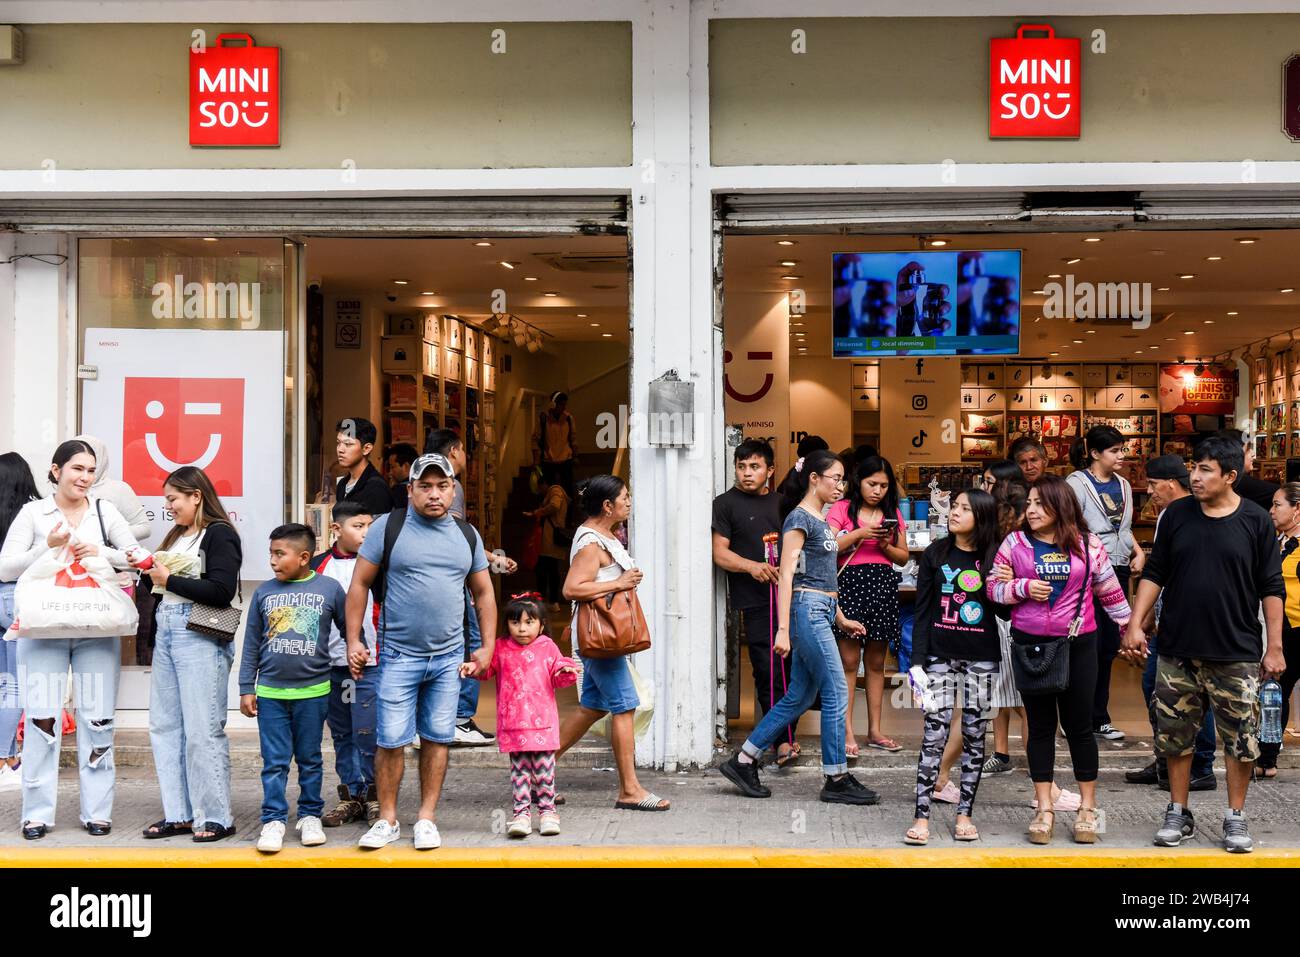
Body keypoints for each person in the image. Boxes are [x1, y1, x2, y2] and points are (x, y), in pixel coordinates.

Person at [1123, 437, 1285, 853]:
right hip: (1177, 648)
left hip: (1236, 651)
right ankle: (1178, 811)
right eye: (1194, 467)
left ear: (1230, 476)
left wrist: (1275, 647)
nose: (1194, 476)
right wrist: (1135, 625)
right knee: (1175, 739)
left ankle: (1235, 817)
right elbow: (1155, 572)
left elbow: (1271, 585)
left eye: (1205, 470)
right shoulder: (1176, 515)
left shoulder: (1255, 520)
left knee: (1241, 741)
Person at [346, 452, 496, 850]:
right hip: (398, 655)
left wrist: (487, 647)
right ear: (410, 490)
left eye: (442, 486)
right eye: (425, 487)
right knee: (391, 739)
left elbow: (484, 593)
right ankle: (389, 819)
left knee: (436, 737)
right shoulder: (388, 528)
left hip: (448, 658)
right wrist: (354, 640)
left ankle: (426, 818)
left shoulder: (467, 535)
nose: (434, 495)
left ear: (452, 489)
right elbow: (359, 584)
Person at [720, 450, 879, 806]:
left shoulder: (821, 521)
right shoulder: (798, 519)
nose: (840, 485)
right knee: (837, 690)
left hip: (822, 610)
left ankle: (743, 759)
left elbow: (822, 577)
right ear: (814, 478)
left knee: (799, 697)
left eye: (842, 479)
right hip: (806, 612)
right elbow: (789, 576)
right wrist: (782, 629)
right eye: (835, 478)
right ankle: (836, 776)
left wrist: (840, 618)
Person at [0, 439, 139, 840]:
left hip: (95, 630)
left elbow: (133, 555)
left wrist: (97, 550)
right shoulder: (33, 513)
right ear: (56, 471)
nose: (85, 477)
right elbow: (7, 567)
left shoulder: (103, 510)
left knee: (98, 722)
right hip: (44, 631)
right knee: (43, 723)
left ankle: (97, 811)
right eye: (77, 468)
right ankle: (36, 814)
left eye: (91, 470)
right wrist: (49, 546)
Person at [988, 474, 1132, 845]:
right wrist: (1021, 588)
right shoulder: (1014, 543)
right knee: (1039, 728)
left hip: (1079, 643)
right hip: (1030, 645)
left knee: (1079, 726)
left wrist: (1130, 627)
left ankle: (1087, 807)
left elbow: (1109, 590)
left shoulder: (1089, 545)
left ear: (1060, 506)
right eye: (1029, 504)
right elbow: (993, 590)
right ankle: (1044, 807)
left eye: (1040, 504)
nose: (1031, 510)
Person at [139, 466, 243, 842]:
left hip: (198, 630)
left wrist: (169, 579)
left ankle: (215, 816)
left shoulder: (219, 534)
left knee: (202, 728)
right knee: (165, 726)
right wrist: (145, 570)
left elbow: (221, 589)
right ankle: (179, 813)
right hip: (167, 628)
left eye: (173, 499)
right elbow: (155, 588)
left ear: (195, 496)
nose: (169, 507)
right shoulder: (176, 535)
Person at [555, 475, 670, 811]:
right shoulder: (591, 543)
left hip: (602, 639)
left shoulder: (605, 537)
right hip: (600, 641)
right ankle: (629, 790)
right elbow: (572, 588)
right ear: (607, 506)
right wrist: (619, 583)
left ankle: (535, 771)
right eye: (625, 497)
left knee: (593, 706)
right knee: (624, 705)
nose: (629, 501)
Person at [239, 524, 348, 854]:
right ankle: (273, 818)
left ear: (304, 557)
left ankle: (310, 814)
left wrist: (357, 655)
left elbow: (348, 629)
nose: (272, 560)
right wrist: (247, 686)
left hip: (314, 692)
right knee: (274, 761)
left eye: (279, 554)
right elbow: (252, 643)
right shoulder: (264, 593)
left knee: (310, 758)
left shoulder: (329, 589)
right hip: (271, 693)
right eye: (271, 553)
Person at [904, 489, 1003, 845]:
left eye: (965, 508)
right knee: (934, 735)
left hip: (983, 656)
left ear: (983, 516)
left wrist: (1007, 581)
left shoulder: (994, 557)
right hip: (939, 657)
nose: (955, 512)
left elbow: (1005, 611)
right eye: (954, 507)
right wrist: (916, 664)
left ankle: (965, 814)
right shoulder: (935, 553)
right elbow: (923, 612)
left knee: (976, 737)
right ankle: (921, 817)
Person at [1125, 455, 1216, 790]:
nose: (1149, 491)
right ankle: (1166, 757)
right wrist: (1146, 618)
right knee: (1156, 689)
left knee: (1195, 692)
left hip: (1189, 621)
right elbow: (1159, 572)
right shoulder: (1167, 515)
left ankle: (1201, 763)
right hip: (1166, 619)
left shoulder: (1194, 514)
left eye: (1152, 484)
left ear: (1170, 482)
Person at [711, 438, 797, 767]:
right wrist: (752, 566)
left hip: (790, 598)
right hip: (755, 601)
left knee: (792, 669)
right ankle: (782, 741)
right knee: (768, 671)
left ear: (770, 470)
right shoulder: (725, 504)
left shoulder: (783, 504)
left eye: (755, 466)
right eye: (741, 466)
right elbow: (719, 552)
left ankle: (785, 737)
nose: (747, 473)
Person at [475, 594, 578, 837]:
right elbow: (486, 671)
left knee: (544, 771)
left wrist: (565, 670)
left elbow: (558, 677)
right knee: (519, 772)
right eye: (515, 622)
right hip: (513, 725)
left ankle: (548, 813)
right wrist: (474, 666)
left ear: (541, 625)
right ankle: (521, 814)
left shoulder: (548, 647)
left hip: (543, 726)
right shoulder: (500, 647)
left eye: (529, 622)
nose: (522, 628)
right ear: (507, 624)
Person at [827, 455, 909, 754]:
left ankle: (875, 730)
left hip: (883, 587)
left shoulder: (893, 514)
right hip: (849, 585)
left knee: (876, 663)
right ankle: (846, 732)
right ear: (858, 482)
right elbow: (829, 547)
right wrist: (861, 533)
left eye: (884, 486)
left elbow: (903, 557)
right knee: (848, 663)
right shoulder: (840, 509)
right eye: (872, 483)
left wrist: (885, 544)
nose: (878, 491)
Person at [1067, 425, 1144, 742]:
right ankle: (1078, 716)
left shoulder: (1124, 485)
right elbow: (1069, 527)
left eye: (1122, 449)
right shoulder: (1076, 484)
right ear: (1095, 453)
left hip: (1119, 568)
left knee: (1109, 646)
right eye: (1114, 451)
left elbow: (1122, 529)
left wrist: (1137, 550)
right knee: (1088, 644)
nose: (1121, 456)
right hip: (1089, 572)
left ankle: (1099, 717)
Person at [425, 428, 497, 747]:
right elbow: (453, 533)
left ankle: (435, 718)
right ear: (455, 451)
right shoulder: (450, 484)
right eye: (465, 451)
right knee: (469, 642)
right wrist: (484, 560)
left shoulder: (419, 483)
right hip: (454, 579)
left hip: (426, 581)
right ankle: (459, 718)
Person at [311, 501, 380, 827]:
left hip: (372, 662)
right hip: (331, 665)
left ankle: (376, 796)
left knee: (369, 731)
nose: (366, 533)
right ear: (336, 529)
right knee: (342, 734)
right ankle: (351, 795)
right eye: (358, 526)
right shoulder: (317, 567)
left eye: (369, 525)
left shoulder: (379, 564)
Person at [0, 452, 39, 793]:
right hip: (19, 597)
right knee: (15, 686)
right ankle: (1, 759)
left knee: (3, 684)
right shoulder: (33, 511)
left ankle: (11, 761)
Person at [1260, 482, 1300, 777]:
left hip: (1298, 627)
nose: (1272, 510)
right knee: (1275, 692)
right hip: (1280, 628)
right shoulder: (1275, 541)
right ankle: (1267, 759)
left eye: (1278, 505)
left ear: (1297, 509)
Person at [73, 434, 152, 542]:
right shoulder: (64, 488)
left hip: (113, 557)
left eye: (90, 454)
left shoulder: (118, 489)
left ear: (99, 457)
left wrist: (107, 536)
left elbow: (144, 528)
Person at [525, 466, 572, 610]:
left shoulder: (555, 491)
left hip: (550, 538)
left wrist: (539, 512)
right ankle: (550, 600)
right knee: (550, 569)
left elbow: (554, 506)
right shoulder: (558, 491)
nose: (540, 490)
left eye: (540, 487)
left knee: (545, 570)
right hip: (551, 538)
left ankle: (548, 600)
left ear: (545, 484)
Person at [335, 417, 392, 518]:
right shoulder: (342, 484)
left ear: (366, 449)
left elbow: (377, 531)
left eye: (348, 444)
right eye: (338, 443)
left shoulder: (376, 488)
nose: (340, 449)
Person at [1216, 429, 1279, 511]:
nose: (1253, 454)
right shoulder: (1238, 482)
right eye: (1248, 449)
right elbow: (1285, 494)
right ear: (1234, 453)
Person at [534, 392, 578, 494]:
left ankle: (568, 509)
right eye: (561, 404)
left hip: (566, 459)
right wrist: (536, 460)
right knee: (549, 491)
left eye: (564, 404)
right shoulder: (544, 419)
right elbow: (535, 439)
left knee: (568, 491)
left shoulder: (568, 418)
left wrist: (575, 455)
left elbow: (573, 438)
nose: (563, 407)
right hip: (548, 460)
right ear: (553, 404)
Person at [385, 442, 418, 511]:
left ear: (405, 466)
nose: (390, 473)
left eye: (392, 467)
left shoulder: (399, 491)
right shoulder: (422, 487)